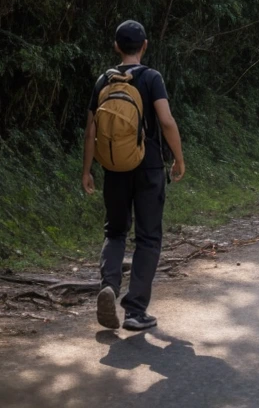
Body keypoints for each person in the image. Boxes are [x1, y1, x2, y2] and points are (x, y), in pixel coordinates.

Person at [82, 19, 185, 331]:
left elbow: (91, 130)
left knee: (114, 232)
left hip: (113, 168)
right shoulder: (151, 78)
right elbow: (166, 121)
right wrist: (179, 158)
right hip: (149, 167)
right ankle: (135, 312)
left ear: (116, 46)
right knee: (148, 237)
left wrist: (86, 170)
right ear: (144, 46)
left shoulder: (103, 80)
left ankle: (109, 285)